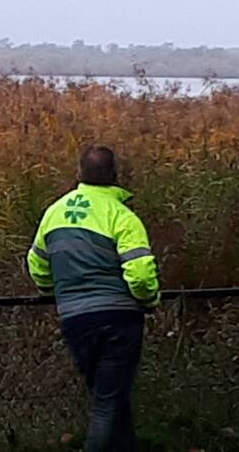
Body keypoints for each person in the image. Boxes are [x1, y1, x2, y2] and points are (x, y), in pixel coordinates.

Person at [26, 145, 160, 452]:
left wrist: (52, 290)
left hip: (74, 319)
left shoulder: (54, 212)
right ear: (116, 176)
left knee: (111, 398)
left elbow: (37, 263)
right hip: (117, 320)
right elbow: (140, 274)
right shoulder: (121, 216)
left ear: (78, 173)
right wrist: (149, 300)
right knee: (106, 404)